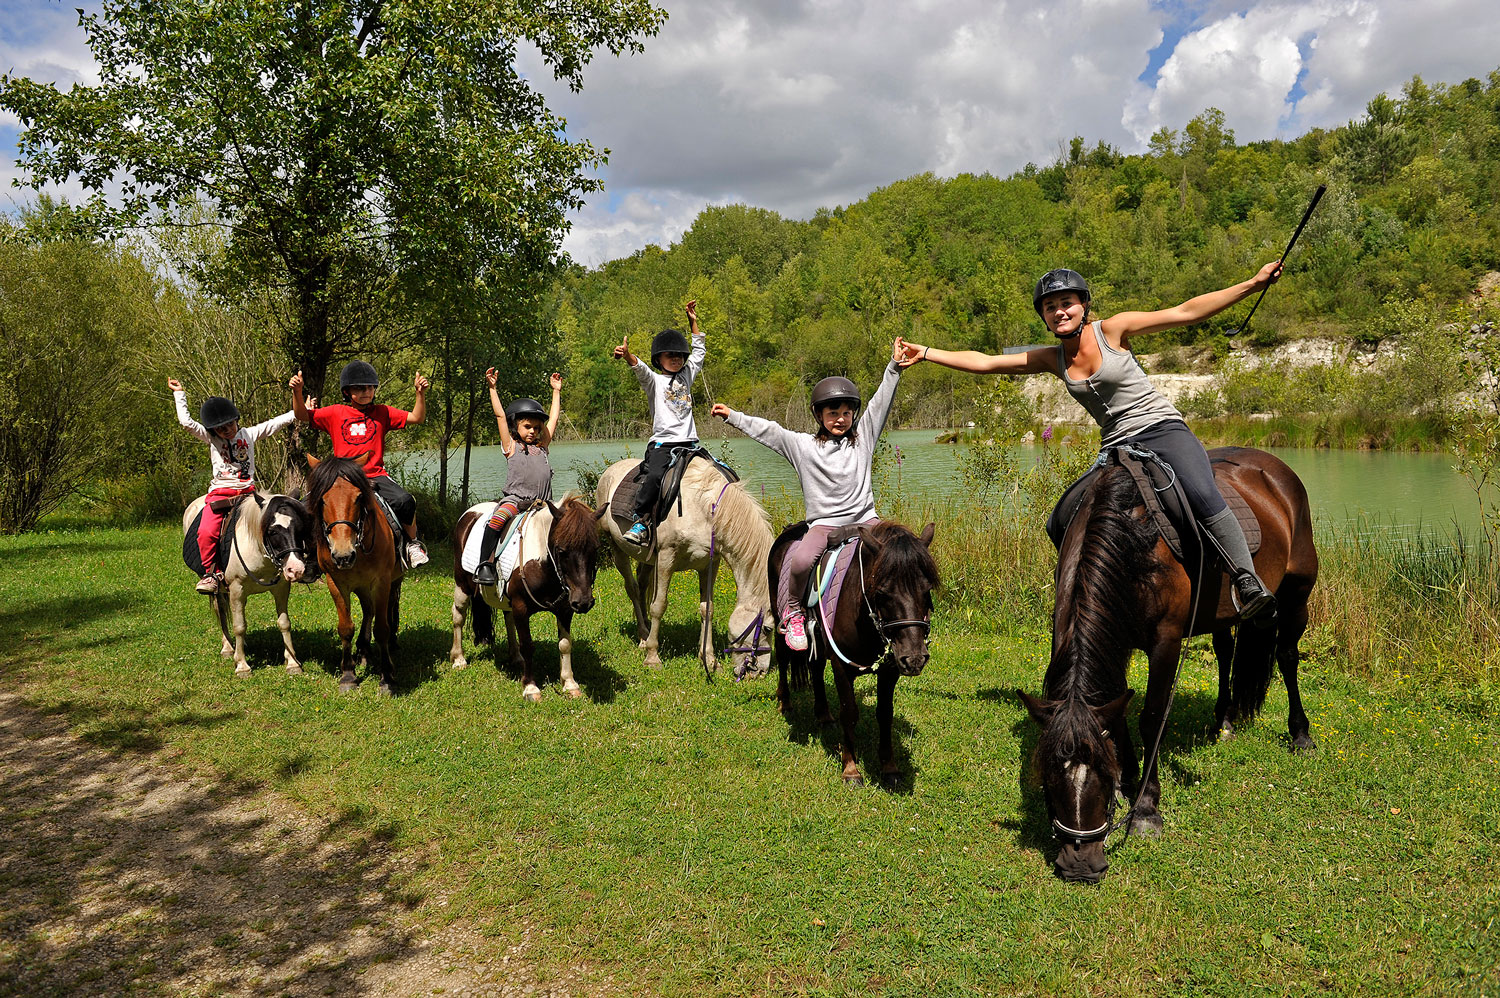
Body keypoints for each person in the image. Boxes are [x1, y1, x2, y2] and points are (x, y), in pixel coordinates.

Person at [895, 262, 1284, 620]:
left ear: (1083, 306)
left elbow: (1185, 312)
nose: (1060, 311)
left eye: (1067, 302)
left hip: (1161, 429)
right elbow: (985, 362)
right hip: (1115, 447)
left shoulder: (1113, 329)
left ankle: (1246, 581)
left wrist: (1252, 285)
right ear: (1044, 317)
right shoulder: (1052, 358)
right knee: (1061, 520)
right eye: (1050, 307)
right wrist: (925, 353)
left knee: (1201, 493)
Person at [710, 340, 906, 651]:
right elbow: (770, 431)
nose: (840, 418)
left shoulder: (864, 439)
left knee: (901, 555)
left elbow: (880, 404)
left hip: (867, 520)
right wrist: (733, 416)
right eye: (832, 413)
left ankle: (904, 617)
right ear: (819, 415)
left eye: (846, 412)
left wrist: (893, 368)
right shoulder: (803, 446)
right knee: (801, 561)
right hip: (825, 523)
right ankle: (793, 612)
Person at [289, 361, 431, 567]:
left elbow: (417, 417)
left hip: (375, 474)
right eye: (359, 388)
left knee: (405, 500)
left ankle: (412, 544)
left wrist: (420, 394)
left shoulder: (383, 412)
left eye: (370, 387)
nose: (366, 391)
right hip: (341, 478)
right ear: (347, 391)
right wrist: (297, 392)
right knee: (303, 507)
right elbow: (302, 415)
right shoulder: (335, 413)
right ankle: (308, 555)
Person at [170, 377, 301, 593]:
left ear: (236, 420)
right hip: (220, 494)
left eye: (230, 424)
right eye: (221, 429)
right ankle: (211, 573)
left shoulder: (248, 434)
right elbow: (187, 423)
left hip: (248, 493)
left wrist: (300, 409)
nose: (227, 430)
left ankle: (294, 560)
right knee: (205, 531)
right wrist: (179, 394)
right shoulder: (211, 439)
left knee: (282, 518)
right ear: (213, 431)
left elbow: (275, 423)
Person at [613, 299, 705, 544]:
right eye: (670, 355)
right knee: (654, 478)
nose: (676, 359)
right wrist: (628, 356)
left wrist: (693, 322)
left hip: (691, 444)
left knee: (717, 474)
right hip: (663, 445)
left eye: (679, 355)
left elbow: (699, 352)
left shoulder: (687, 375)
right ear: (659, 359)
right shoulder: (654, 381)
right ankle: (640, 520)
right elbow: (640, 369)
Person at [473, 370, 563, 586]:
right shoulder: (511, 446)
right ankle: (485, 564)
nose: (533, 431)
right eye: (527, 427)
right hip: (516, 502)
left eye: (536, 427)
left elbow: (554, 418)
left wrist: (556, 392)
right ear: (516, 427)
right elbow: (500, 416)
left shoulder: (543, 446)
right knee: (496, 520)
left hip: (543, 504)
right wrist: (492, 389)